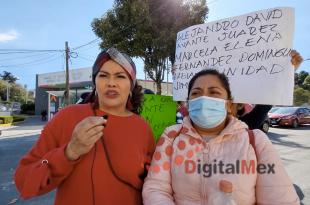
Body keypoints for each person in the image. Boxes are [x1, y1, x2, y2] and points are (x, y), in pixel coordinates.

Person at [14, 47, 155, 205]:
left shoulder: (143, 128)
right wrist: (69, 152)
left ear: (131, 84)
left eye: (120, 76)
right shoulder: (67, 117)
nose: (111, 83)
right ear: (95, 81)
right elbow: (24, 179)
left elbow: (155, 184)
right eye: (103, 75)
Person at [143, 69, 299, 204]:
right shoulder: (171, 136)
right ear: (188, 103)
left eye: (214, 92)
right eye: (196, 93)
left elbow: (280, 199)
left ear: (228, 103)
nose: (203, 99)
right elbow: (156, 188)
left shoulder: (256, 141)